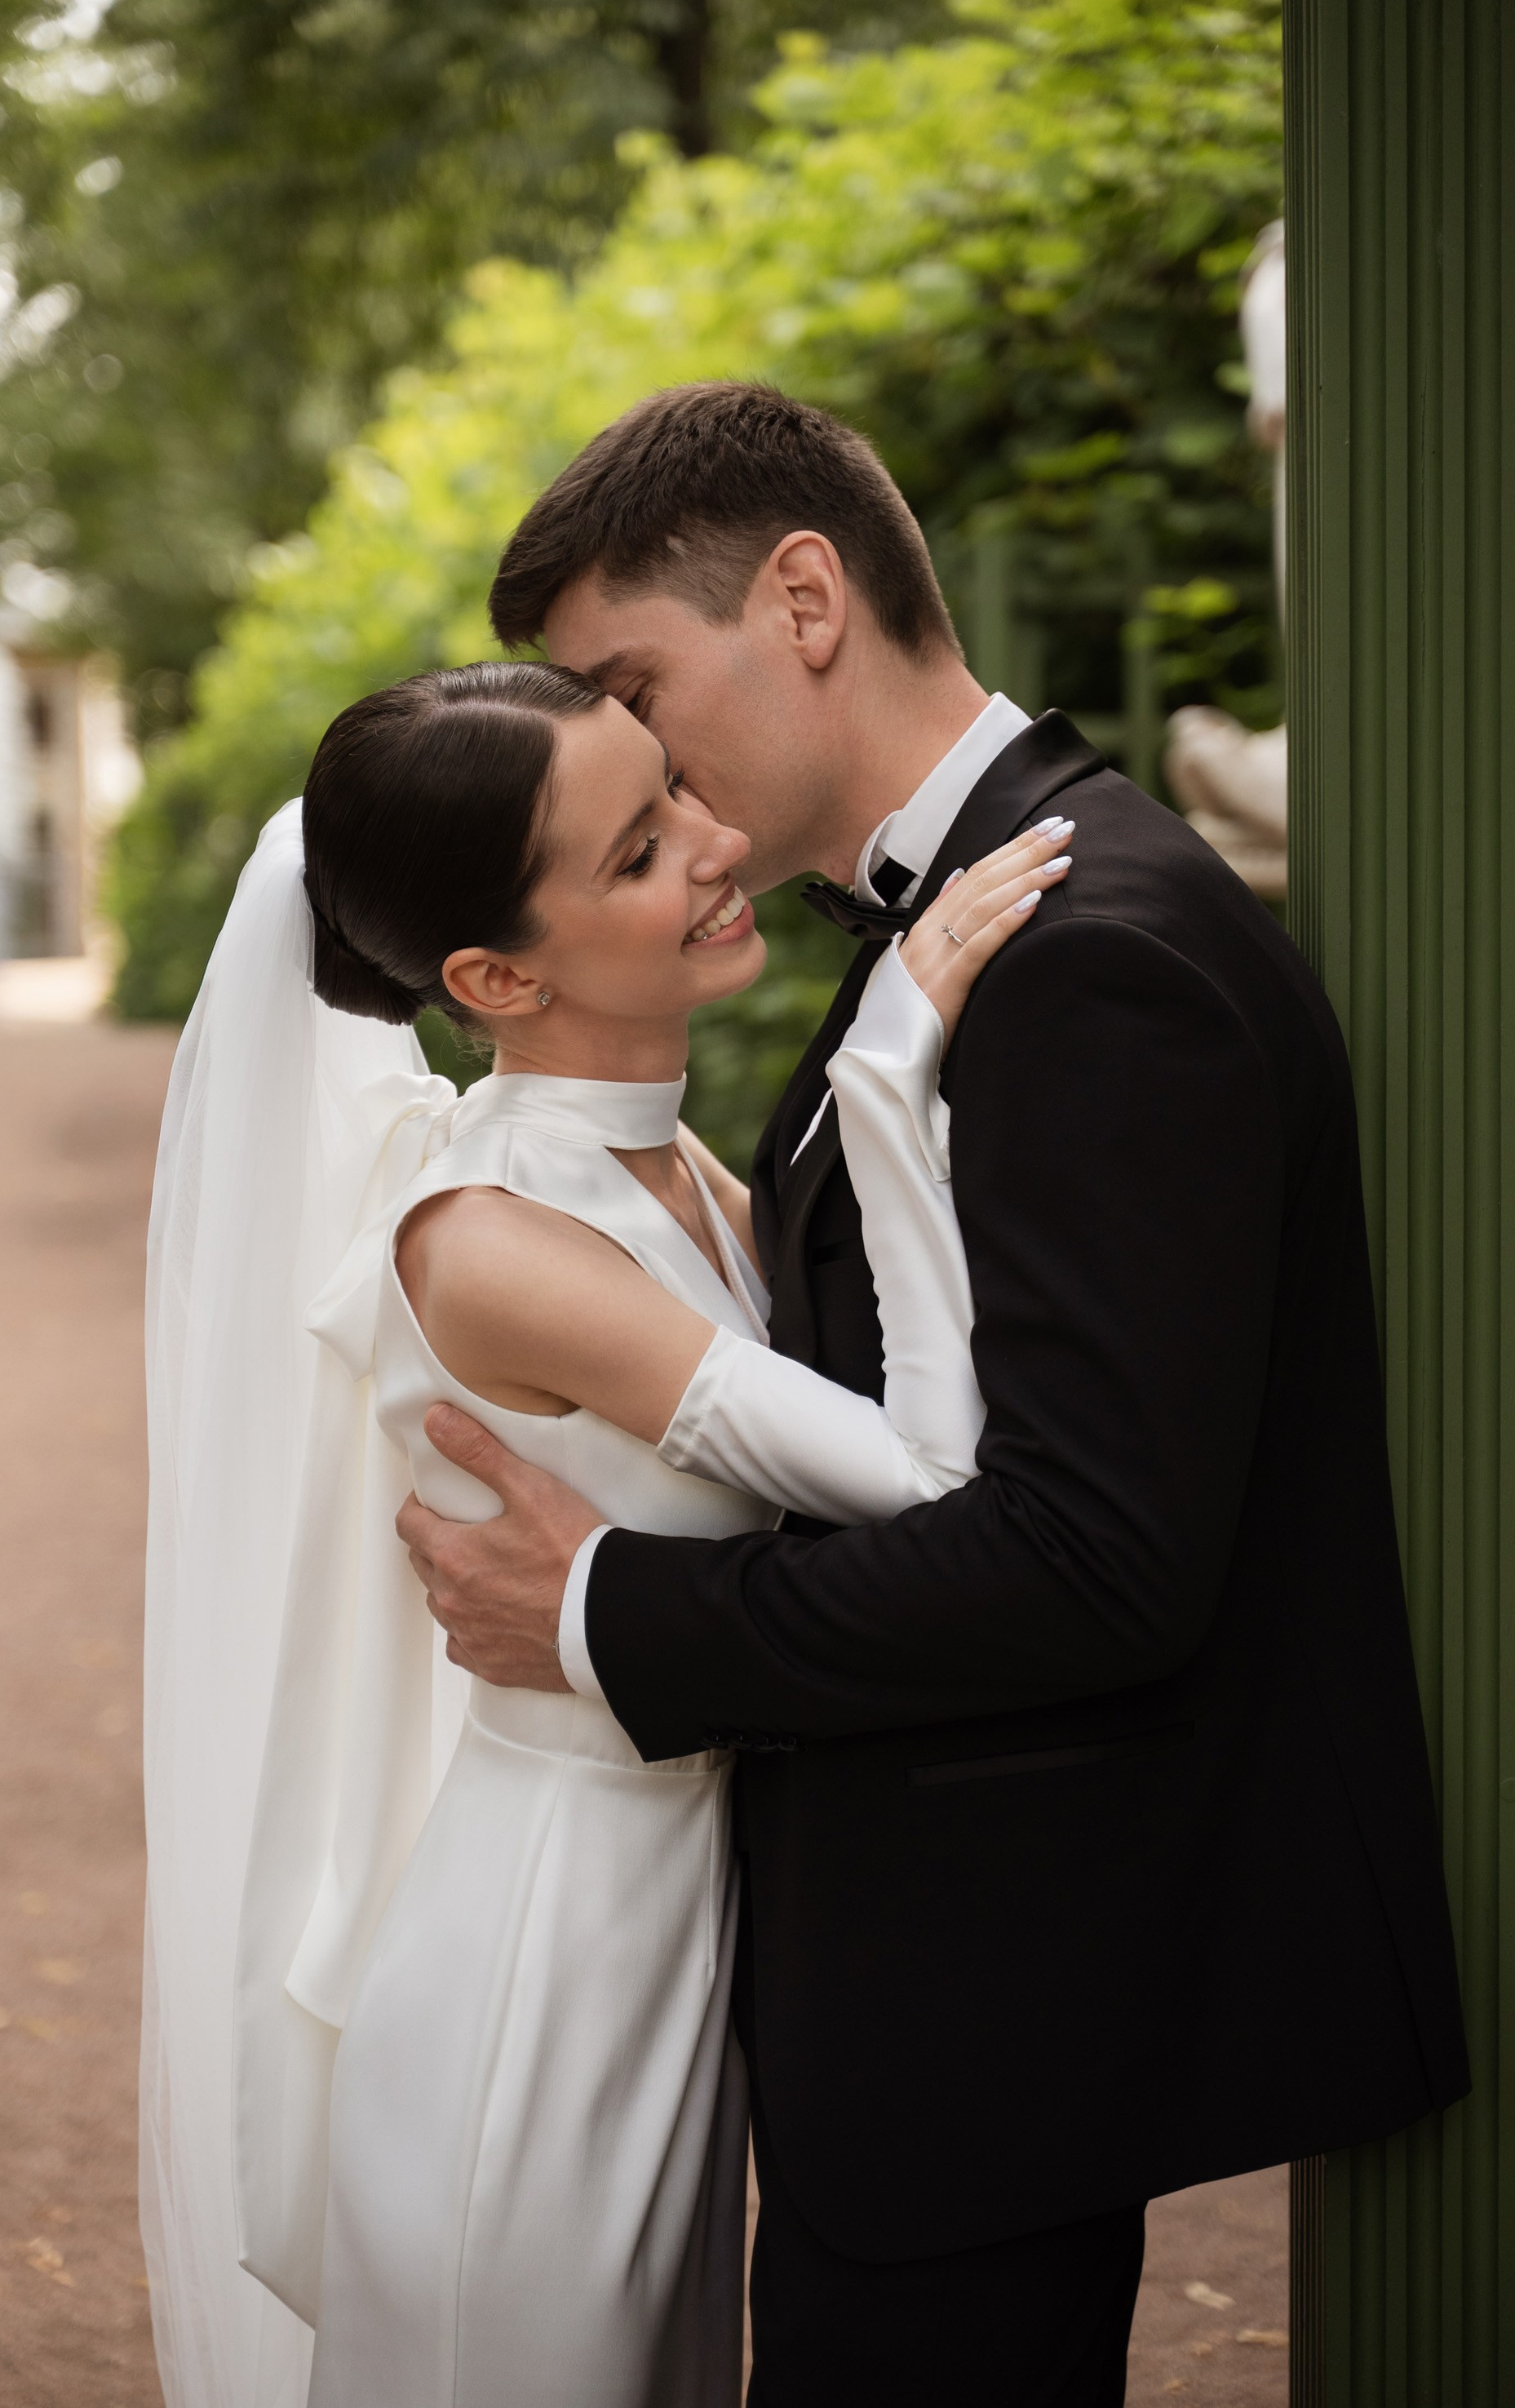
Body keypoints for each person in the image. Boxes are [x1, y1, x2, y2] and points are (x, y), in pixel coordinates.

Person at [395, 382, 1472, 2406]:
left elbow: (1091, 1558)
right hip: (952, 1968)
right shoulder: (971, 922)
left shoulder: (1087, 957)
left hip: (998, 1979)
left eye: (636, 684)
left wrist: (604, 1613)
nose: (634, 756)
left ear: (804, 596)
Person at [140, 656, 1070, 2408]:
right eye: (640, 851)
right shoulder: (494, 1237)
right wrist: (887, 1085)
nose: (718, 844)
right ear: (499, 975)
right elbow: (934, 1486)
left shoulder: (671, 1172)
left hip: (672, 1920)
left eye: (677, 797)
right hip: (543, 1977)